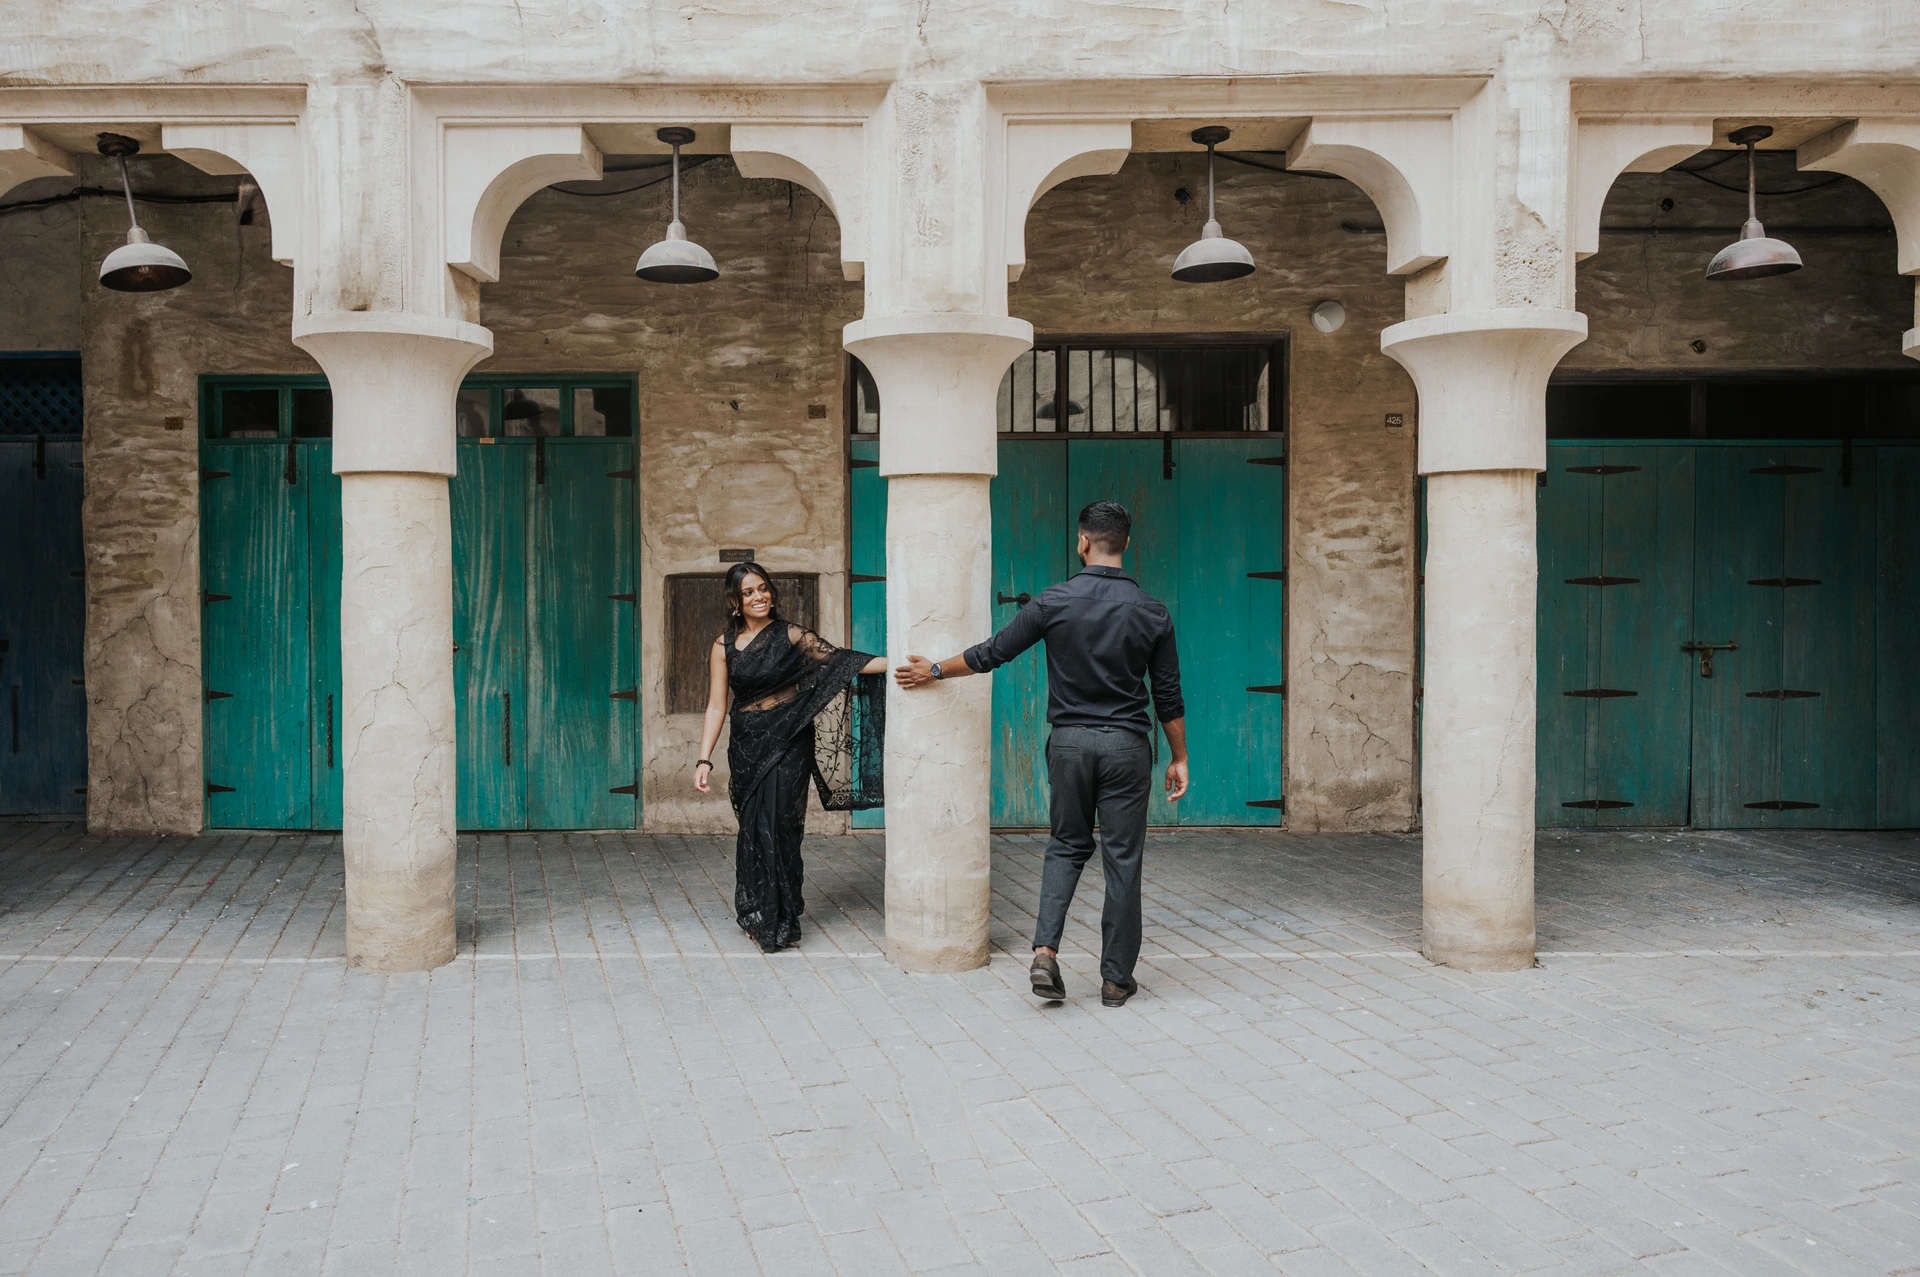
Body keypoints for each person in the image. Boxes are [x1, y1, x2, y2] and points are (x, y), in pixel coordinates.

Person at [895, 500, 1187, 1007]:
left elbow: (992, 653)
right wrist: (1179, 757)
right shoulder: (1153, 611)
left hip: (1070, 744)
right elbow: (1169, 695)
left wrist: (934, 671)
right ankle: (1117, 980)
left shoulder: (1055, 602)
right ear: (1125, 543)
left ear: (1083, 541)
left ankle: (1045, 953)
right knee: (1123, 859)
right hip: (1126, 746)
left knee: (1066, 846)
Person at [695, 563, 889, 951]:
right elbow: (717, 706)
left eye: (763, 588)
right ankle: (760, 912)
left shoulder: (790, 634)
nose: (759, 596)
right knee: (752, 829)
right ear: (736, 601)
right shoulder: (723, 646)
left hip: (788, 741)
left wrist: (898, 663)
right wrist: (704, 759)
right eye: (749, 592)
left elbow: (841, 662)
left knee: (778, 827)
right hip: (747, 745)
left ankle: (780, 916)